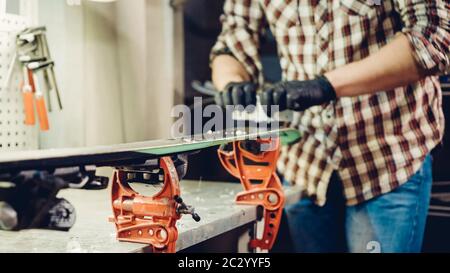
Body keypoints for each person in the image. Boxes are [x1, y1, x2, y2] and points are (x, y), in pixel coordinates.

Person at [210, 0, 449, 253]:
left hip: (388, 160)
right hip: (306, 165)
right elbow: (234, 34)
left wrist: (326, 86)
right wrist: (231, 81)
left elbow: (434, 38)